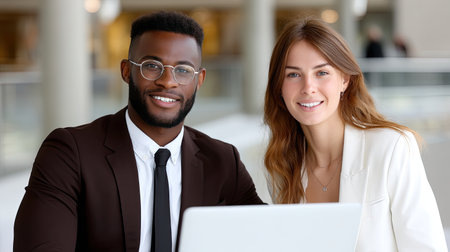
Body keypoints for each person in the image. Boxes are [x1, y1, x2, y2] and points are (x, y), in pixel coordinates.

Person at [14, 11, 263, 252]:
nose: (168, 81)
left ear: (199, 80)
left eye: (183, 70)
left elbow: (271, 234)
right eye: (152, 66)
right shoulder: (70, 153)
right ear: (126, 71)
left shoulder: (222, 161)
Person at [264, 17, 448, 251]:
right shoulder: (281, 168)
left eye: (321, 73)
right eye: (293, 74)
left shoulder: (391, 147)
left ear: (345, 80)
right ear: (279, 87)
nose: (308, 87)